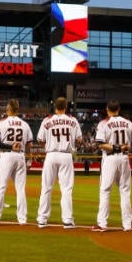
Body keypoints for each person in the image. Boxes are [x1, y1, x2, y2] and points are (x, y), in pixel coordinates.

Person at [36, 98, 82, 229]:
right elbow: (80, 140)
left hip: (51, 155)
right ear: (66, 106)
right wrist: (72, 142)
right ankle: (67, 220)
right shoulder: (73, 120)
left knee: (46, 187)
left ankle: (42, 219)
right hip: (66, 155)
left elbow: (40, 140)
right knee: (66, 189)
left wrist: (49, 144)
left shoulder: (47, 120)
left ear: (55, 106)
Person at [0, 99, 33, 226]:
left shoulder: (1, 123)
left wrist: (9, 147)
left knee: (1, 187)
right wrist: (27, 156)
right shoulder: (25, 124)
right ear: (17, 110)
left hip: (6, 156)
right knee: (20, 189)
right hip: (20, 156)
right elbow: (29, 144)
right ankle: (22, 219)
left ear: (8, 109)